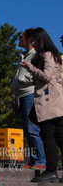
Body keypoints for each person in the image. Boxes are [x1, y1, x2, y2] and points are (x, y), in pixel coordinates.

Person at [19, 28, 63, 183]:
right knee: (58, 136)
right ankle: (52, 169)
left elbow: (46, 76)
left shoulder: (48, 54)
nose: (33, 44)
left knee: (48, 135)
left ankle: (51, 170)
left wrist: (30, 67)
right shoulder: (50, 54)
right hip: (53, 100)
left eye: (34, 41)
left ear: (40, 40)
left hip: (50, 101)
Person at [10, 30, 46, 170]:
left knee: (32, 128)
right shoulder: (25, 55)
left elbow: (36, 74)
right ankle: (34, 159)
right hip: (22, 95)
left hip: (29, 94)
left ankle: (41, 160)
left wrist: (21, 80)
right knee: (27, 129)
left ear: (29, 40)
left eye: (21, 38)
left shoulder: (35, 55)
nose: (19, 40)